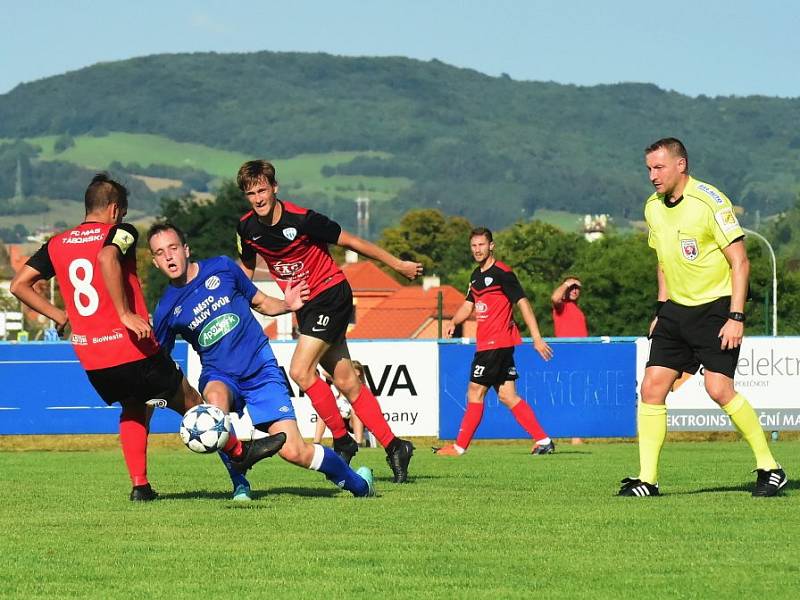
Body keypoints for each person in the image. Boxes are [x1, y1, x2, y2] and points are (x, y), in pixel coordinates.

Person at [9, 174, 283, 502]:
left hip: (94, 359)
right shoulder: (120, 232)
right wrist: (125, 314)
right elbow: (106, 257)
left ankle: (140, 486)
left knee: (133, 408)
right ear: (114, 209)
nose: (123, 219)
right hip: (131, 347)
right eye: (122, 213)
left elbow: (18, 285)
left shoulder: (56, 244)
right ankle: (241, 452)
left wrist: (59, 316)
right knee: (193, 403)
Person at [148, 223, 374, 498]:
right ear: (155, 262)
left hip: (260, 370)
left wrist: (287, 304)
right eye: (160, 253)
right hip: (219, 375)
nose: (169, 257)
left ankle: (359, 483)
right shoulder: (165, 309)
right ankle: (240, 484)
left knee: (295, 451)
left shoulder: (221, 267)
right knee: (214, 411)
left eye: (173, 248)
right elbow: (159, 360)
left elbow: (261, 302)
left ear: (186, 249)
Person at [235, 160, 422, 483]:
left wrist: (397, 264)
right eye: (251, 193)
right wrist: (236, 304)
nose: (258, 198)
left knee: (300, 371)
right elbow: (246, 272)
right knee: (347, 381)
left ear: (275, 188)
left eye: (262, 190)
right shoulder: (247, 229)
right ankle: (395, 446)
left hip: (332, 295)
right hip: (305, 308)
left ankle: (343, 439)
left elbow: (354, 243)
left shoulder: (303, 219)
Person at [620, 137, 787, 497]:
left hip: (715, 309)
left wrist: (736, 316)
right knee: (651, 388)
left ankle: (770, 468)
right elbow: (663, 262)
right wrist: (660, 309)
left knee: (718, 389)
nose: (652, 175)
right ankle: (647, 480)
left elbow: (740, 261)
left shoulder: (709, 202)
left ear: (681, 165)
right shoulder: (652, 207)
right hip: (675, 312)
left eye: (659, 167)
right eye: (649, 168)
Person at [434, 227, 555, 457]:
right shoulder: (475, 276)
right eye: (474, 246)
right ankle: (543, 440)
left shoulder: (503, 273)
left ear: (492, 246)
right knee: (508, 395)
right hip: (495, 344)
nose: (477, 250)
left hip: (495, 343)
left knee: (474, 392)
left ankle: (459, 447)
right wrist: (453, 321)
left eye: (481, 245)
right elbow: (469, 305)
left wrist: (537, 338)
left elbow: (523, 303)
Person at [551, 276, 588, 444]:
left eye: (577, 288)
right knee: (564, 395)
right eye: (571, 287)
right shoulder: (561, 306)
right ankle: (550, 434)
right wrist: (567, 282)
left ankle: (575, 436)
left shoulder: (576, 309)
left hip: (579, 357)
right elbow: (554, 298)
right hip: (566, 357)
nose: (574, 290)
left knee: (576, 395)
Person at [313, 361, 368, 447]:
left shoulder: (360, 385)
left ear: (357, 373)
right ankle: (316, 443)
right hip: (340, 418)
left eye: (349, 370)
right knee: (323, 411)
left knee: (355, 410)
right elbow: (324, 373)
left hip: (353, 420)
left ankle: (358, 443)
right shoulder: (341, 382)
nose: (346, 372)